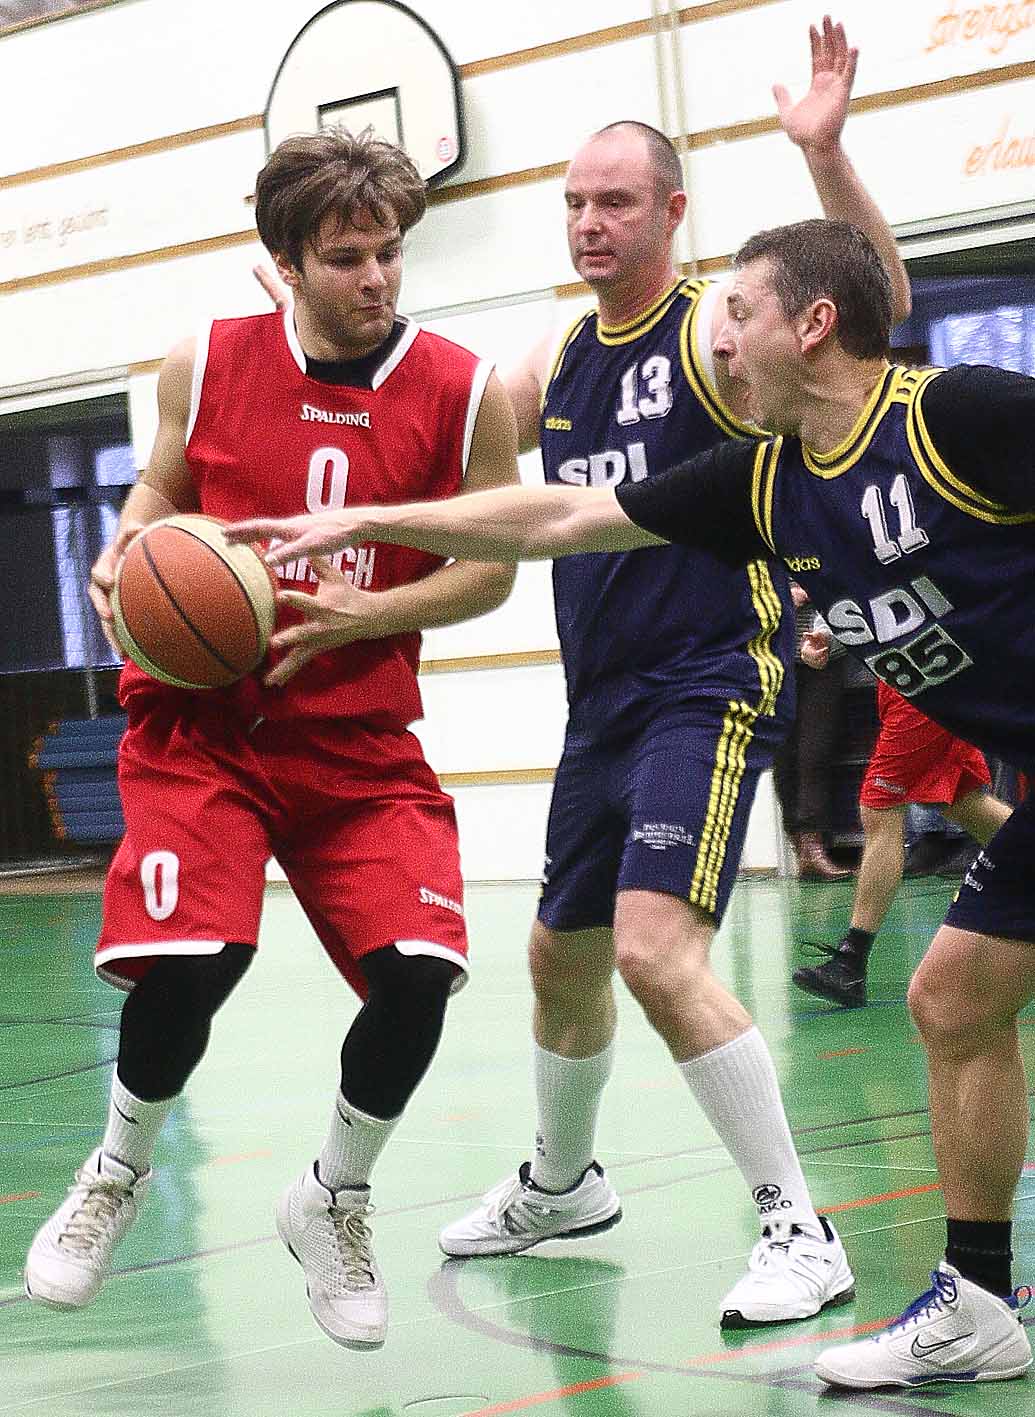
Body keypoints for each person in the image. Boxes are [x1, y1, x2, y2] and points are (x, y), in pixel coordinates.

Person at [226, 217, 1035, 1390]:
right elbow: (559, 516)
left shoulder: (955, 416)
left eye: (740, 316)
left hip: (754, 699)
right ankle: (978, 1304)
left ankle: (887, 1265)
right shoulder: (768, 481)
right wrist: (370, 517)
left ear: (814, 324)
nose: (724, 342)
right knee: (952, 997)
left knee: (909, 989)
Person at [238, 18, 911, 1333]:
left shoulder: (711, 327)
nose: (588, 223)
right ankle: (562, 1182)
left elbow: (870, 309)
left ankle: (799, 1226)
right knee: (560, 954)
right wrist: (311, 382)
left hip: (709, 680)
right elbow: (456, 473)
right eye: (571, 203)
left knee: (655, 951)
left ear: (672, 212)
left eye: (614, 202)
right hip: (600, 699)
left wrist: (826, 162)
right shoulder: (550, 364)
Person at [22, 128, 520, 1352]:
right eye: (347, 258)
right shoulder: (206, 361)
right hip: (206, 725)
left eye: (389, 252)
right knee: (196, 957)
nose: (377, 277)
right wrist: (126, 550)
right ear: (286, 264)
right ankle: (116, 1171)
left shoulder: (464, 391)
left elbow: (494, 567)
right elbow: (161, 486)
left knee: (420, 973)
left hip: (358, 740)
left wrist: (374, 612)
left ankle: (333, 1194)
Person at [793, 641, 1013, 1006]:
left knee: (879, 808)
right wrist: (832, 636)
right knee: (963, 802)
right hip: (919, 680)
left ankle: (850, 961)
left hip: (922, 683)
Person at [772, 583, 853, 880]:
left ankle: (813, 845)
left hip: (824, 653)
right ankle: (800, 846)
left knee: (815, 752)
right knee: (783, 755)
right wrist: (781, 594)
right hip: (774, 657)